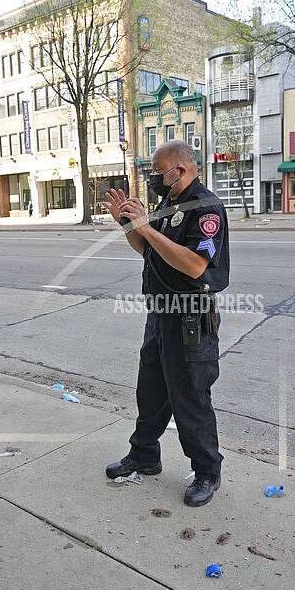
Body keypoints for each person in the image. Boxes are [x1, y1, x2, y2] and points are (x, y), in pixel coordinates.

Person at [103, 140, 230, 507]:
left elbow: (194, 265)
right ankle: (144, 455)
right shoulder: (169, 202)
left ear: (182, 170)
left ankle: (207, 470)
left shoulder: (206, 208)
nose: (154, 178)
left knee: (190, 396)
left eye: (158, 172)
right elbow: (148, 249)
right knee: (151, 391)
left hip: (189, 316)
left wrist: (147, 227)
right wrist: (129, 226)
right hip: (159, 313)